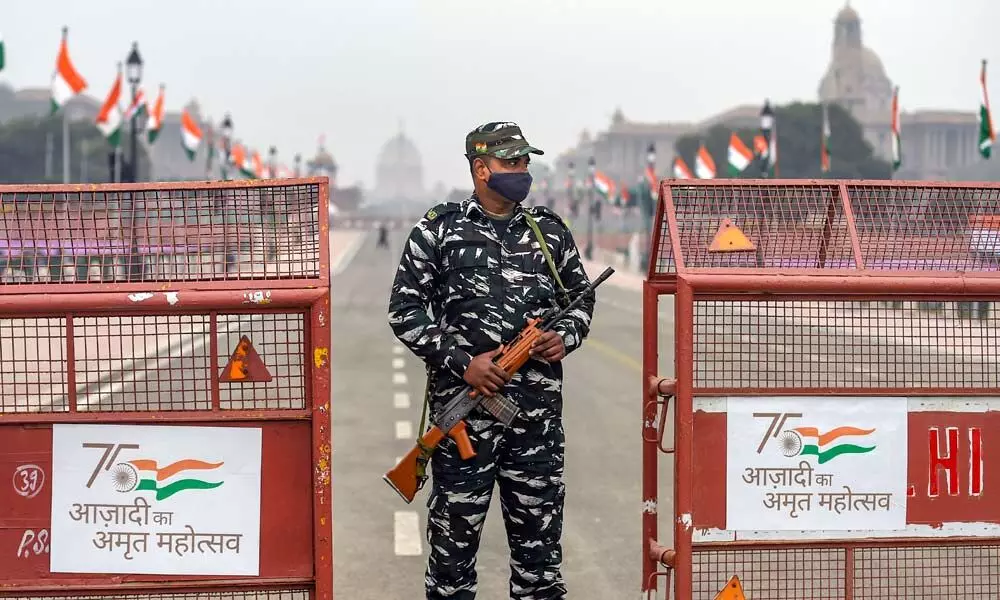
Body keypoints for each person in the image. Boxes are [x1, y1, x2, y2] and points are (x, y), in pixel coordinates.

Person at [387, 121, 595, 599]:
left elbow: (582, 299)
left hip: (536, 426)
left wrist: (564, 335)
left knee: (540, 568)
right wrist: (464, 363)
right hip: (463, 423)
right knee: (451, 567)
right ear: (481, 169)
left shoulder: (549, 232)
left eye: (525, 162)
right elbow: (404, 309)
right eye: (512, 162)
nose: (523, 171)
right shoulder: (438, 229)